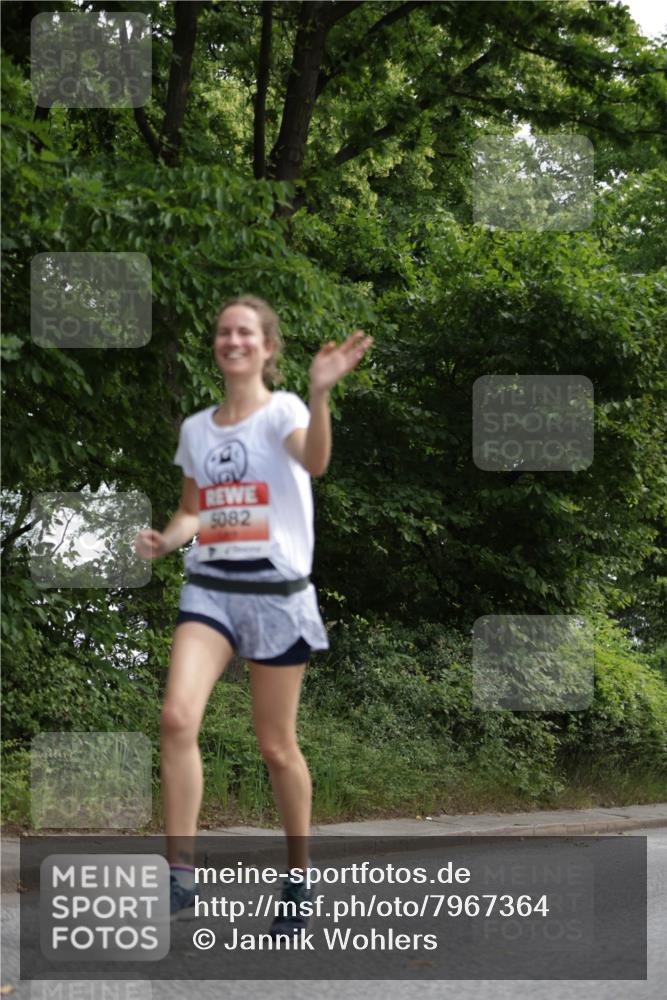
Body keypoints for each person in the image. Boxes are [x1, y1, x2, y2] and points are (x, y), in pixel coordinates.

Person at [134, 293, 372, 932]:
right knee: (176, 717)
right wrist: (167, 538)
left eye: (245, 332)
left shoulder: (286, 412)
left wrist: (321, 395)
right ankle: (180, 877)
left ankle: (297, 875)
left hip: (276, 595)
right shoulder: (196, 429)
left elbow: (315, 462)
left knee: (275, 746)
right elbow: (194, 510)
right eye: (222, 332)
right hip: (211, 588)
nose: (231, 340)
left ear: (267, 348)